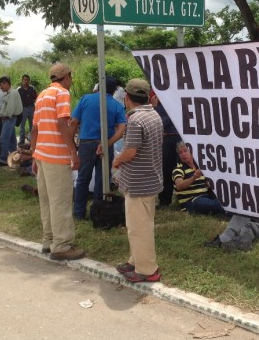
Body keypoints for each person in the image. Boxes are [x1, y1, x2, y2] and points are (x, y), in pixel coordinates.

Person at [31, 63, 85, 261]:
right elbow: (63, 123)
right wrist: (73, 152)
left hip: (42, 155)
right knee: (60, 200)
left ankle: (49, 240)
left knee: (46, 200)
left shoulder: (42, 95)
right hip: (56, 155)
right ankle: (61, 245)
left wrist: (34, 153)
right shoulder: (62, 93)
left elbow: (35, 128)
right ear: (67, 76)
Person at [113, 78, 163, 283]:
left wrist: (117, 159)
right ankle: (135, 261)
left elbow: (131, 152)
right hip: (150, 179)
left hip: (138, 183)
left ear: (127, 98)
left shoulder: (135, 119)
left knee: (138, 227)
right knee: (140, 224)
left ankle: (146, 269)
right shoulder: (154, 115)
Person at [70, 76, 126, 220]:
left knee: (83, 178)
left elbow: (74, 121)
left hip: (86, 142)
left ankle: (78, 212)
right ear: (114, 90)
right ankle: (97, 212)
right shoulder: (117, 105)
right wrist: (107, 143)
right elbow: (121, 130)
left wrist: (72, 140)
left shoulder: (85, 99)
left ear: (99, 86)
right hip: (106, 143)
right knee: (102, 179)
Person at [172, 141, 225, 215]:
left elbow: (208, 184)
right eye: (180, 153)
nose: (183, 154)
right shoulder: (178, 169)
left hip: (206, 196)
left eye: (185, 151)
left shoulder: (200, 167)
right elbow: (179, 186)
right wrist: (193, 178)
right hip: (192, 201)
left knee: (224, 202)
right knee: (219, 205)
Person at [150, 90, 181, 206]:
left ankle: (170, 199)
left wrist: (154, 108)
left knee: (171, 169)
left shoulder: (168, 105)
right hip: (170, 138)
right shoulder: (165, 104)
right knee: (166, 171)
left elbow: (160, 122)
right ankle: (165, 199)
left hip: (172, 138)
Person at [0, 76, 23, 166]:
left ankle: (3, 159)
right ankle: (14, 158)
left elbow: (10, 108)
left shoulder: (13, 93)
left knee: (4, 138)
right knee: (11, 140)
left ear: (6, 83)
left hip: (9, 118)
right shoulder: (8, 93)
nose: (0, 88)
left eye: (1, 85)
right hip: (8, 118)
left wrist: (5, 116)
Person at [17, 74, 37, 144]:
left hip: (31, 108)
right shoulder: (19, 90)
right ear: (22, 80)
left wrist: (35, 106)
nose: (26, 81)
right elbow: (17, 100)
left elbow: (35, 98)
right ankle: (21, 139)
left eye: (27, 80)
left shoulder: (32, 89)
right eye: (25, 80)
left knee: (32, 124)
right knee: (22, 125)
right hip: (23, 109)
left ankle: (31, 139)